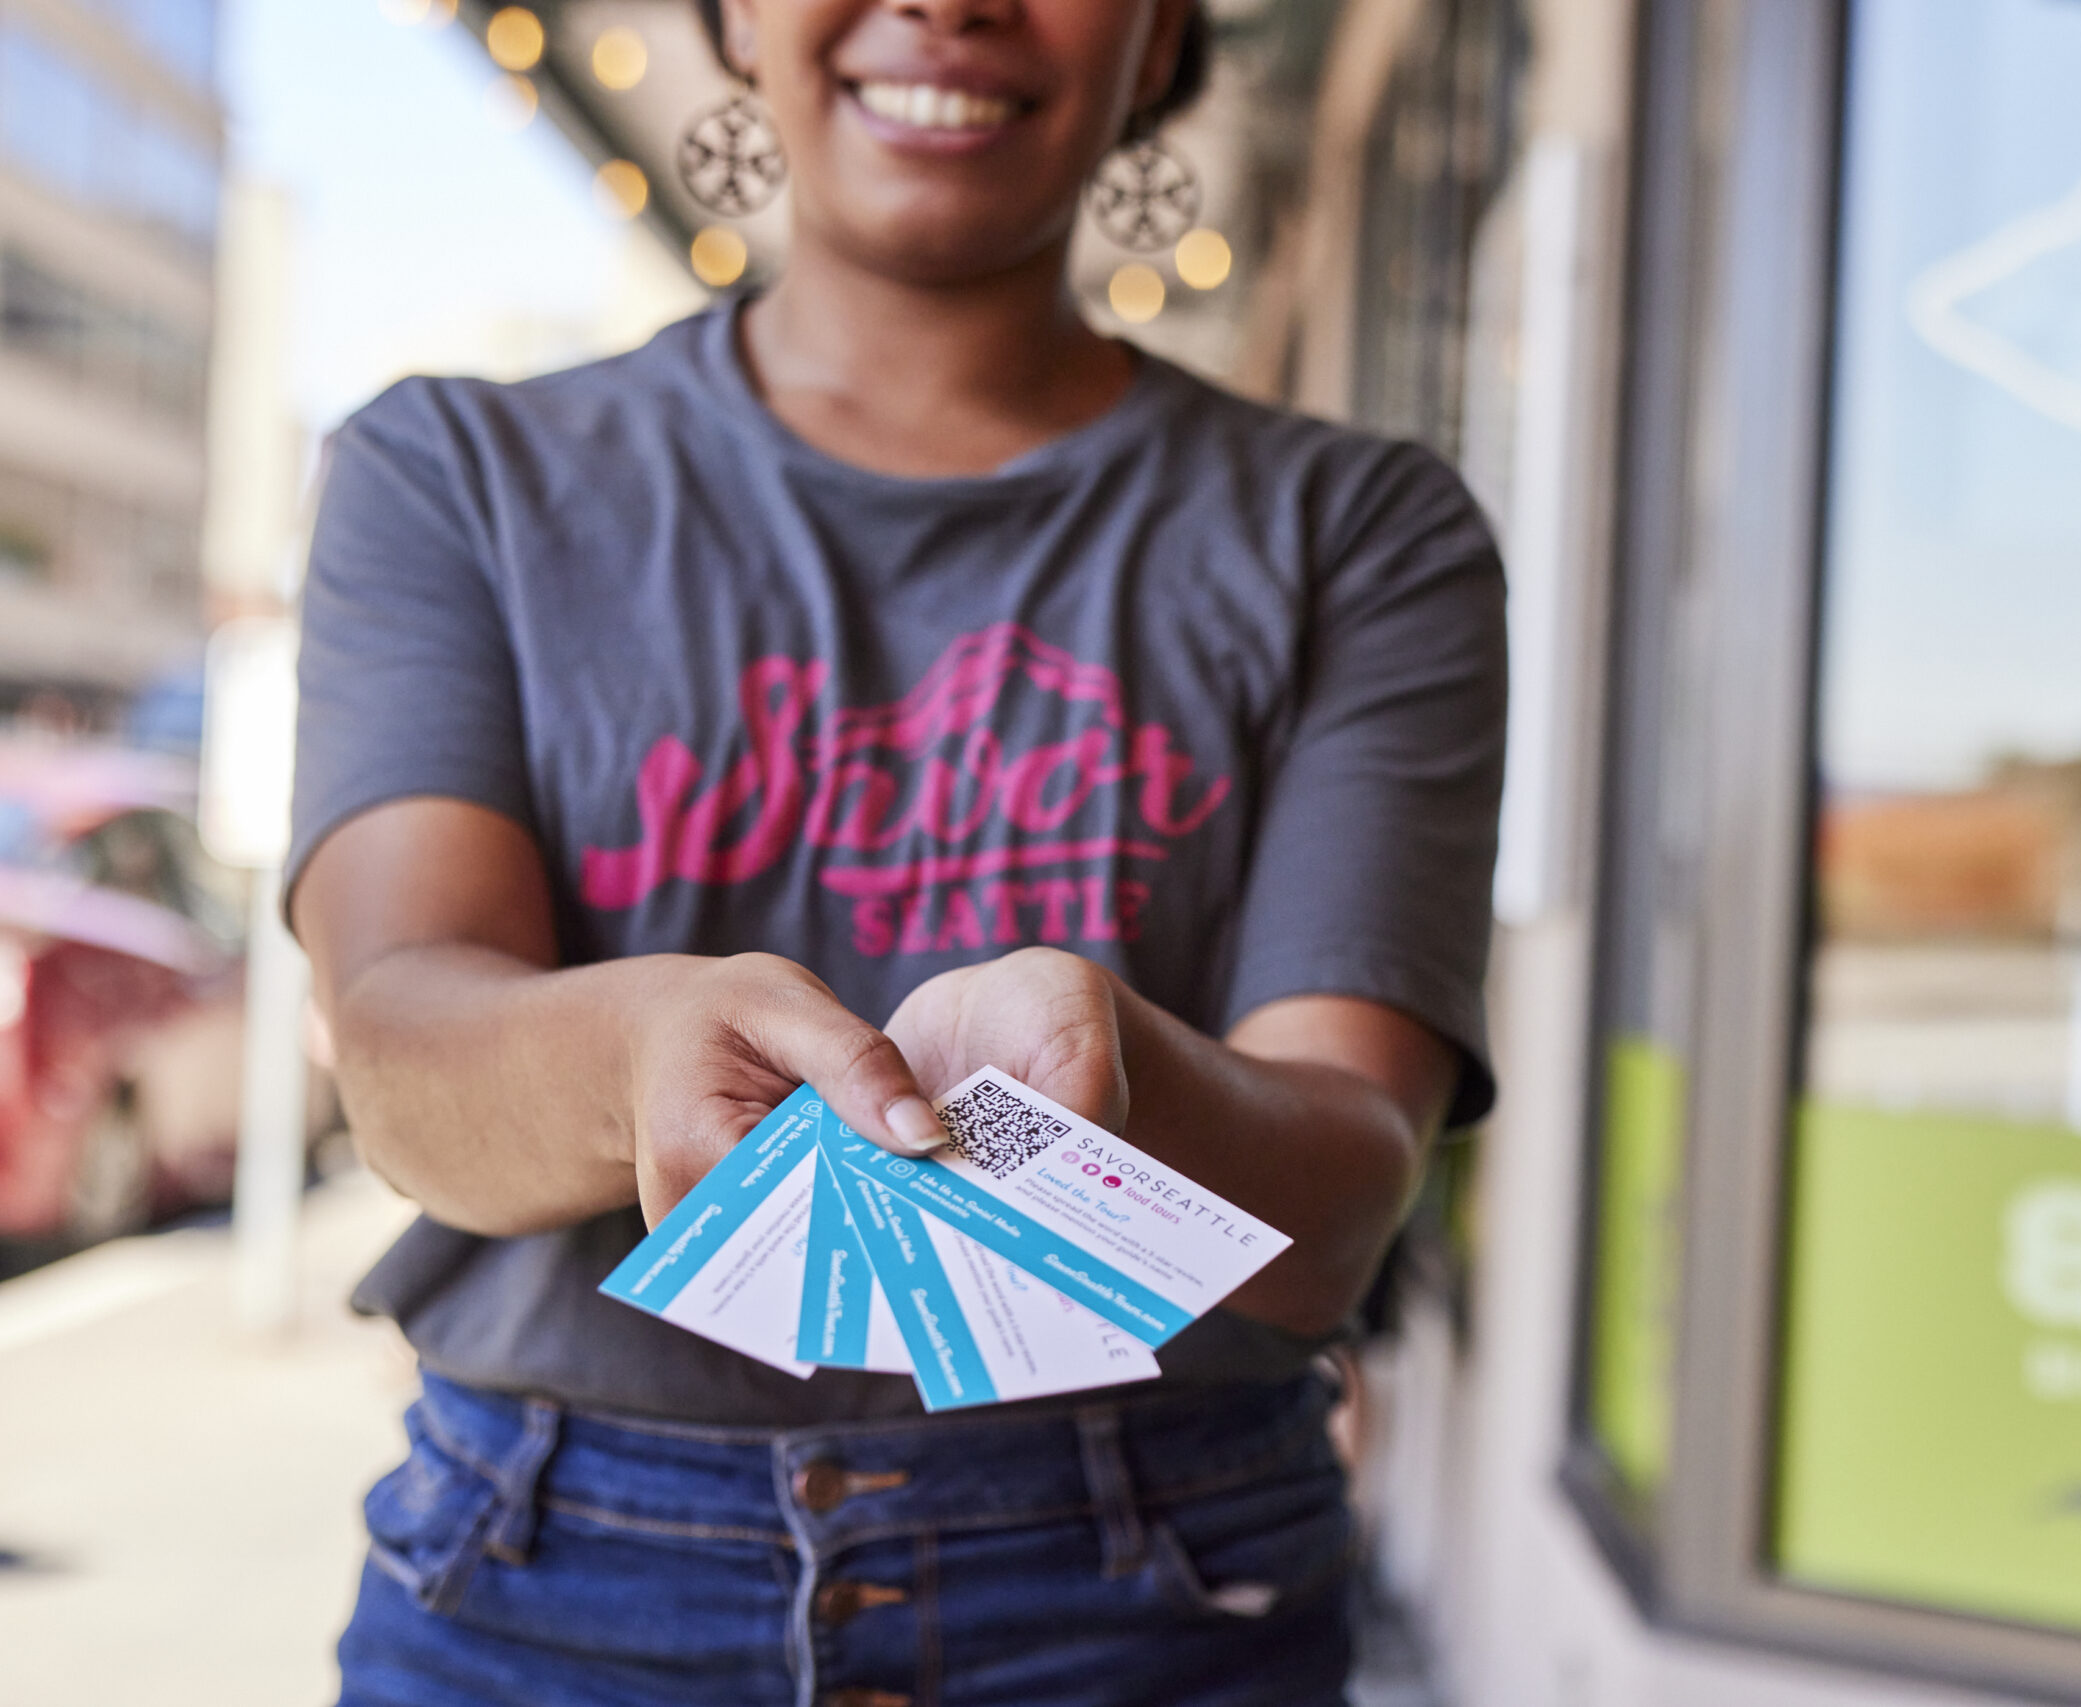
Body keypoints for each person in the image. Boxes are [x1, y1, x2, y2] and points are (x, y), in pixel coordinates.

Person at [294, 0, 1504, 1701]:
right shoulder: (456, 478)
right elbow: (403, 1060)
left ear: (1160, 38)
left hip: (1149, 1584)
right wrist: (638, 1053)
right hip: (547, 1586)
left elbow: (1346, 1196)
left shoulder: (1361, 536)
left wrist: (1127, 1077)